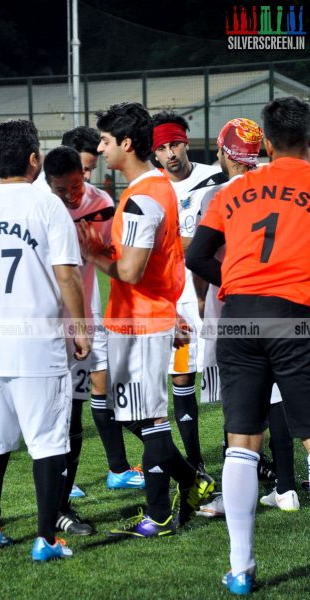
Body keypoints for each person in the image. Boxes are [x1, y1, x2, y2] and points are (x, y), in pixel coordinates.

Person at [0, 120, 90, 561]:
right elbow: (67, 275)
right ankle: (46, 539)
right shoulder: (47, 206)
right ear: (34, 159)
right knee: (47, 441)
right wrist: (80, 328)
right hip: (36, 343)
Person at [186, 96, 310, 595]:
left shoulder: (233, 190)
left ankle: (240, 569)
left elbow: (198, 255)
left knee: (241, 441)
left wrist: (236, 285)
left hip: (238, 318)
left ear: (268, 140)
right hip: (293, 316)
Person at [78, 102, 214, 537]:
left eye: (105, 140)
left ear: (126, 144)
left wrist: (91, 252)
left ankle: (164, 508)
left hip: (139, 322)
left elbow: (132, 270)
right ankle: (187, 486)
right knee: (139, 417)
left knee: (149, 420)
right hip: (144, 317)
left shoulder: (142, 199)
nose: (100, 148)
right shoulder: (154, 189)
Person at [193, 118, 298, 519]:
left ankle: (237, 498)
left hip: (234, 307)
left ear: (223, 151)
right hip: (283, 304)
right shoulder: (279, 185)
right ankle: (286, 487)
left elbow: (199, 258)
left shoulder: (218, 194)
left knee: (237, 411)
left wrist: (215, 294)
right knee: (279, 398)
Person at [44, 146, 145, 535]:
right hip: (44, 325)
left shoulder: (101, 203)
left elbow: (113, 257)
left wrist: (96, 250)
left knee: (75, 410)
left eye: (76, 184)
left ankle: (64, 502)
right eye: (61, 188)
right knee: (38, 415)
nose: (70, 194)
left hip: (83, 322)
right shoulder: (38, 205)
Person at [151, 111, 228, 471]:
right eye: (163, 148)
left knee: (229, 375)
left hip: (214, 294)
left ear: (186, 142)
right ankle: (195, 461)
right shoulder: (151, 186)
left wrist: (176, 243)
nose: (171, 154)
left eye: (176, 144)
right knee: (181, 375)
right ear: (154, 153)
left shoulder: (215, 177)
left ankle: (242, 454)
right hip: (175, 301)